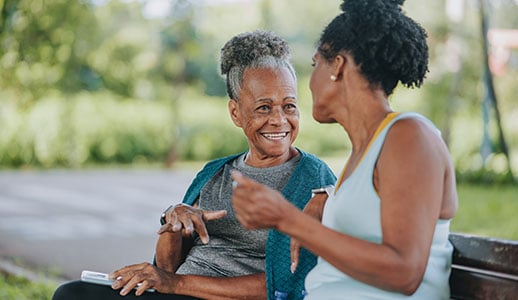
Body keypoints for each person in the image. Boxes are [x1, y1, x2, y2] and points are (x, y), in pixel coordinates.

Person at [51, 30, 336, 300]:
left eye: (289, 106)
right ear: (235, 112)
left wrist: (176, 284)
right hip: (178, 291)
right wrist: (173, 223)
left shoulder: (315, 180)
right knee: (73, 293)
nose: (279, 120)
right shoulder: (214, 174)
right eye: (264, 107)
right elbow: (166, 268)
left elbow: (291, 283)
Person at [231, 1, 458, 299]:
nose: (310, 83)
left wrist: (288, 219)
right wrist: (327, 195)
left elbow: (405, 272)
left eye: (315, 65)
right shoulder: (364, 152)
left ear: (337, 65)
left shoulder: (410, 136)